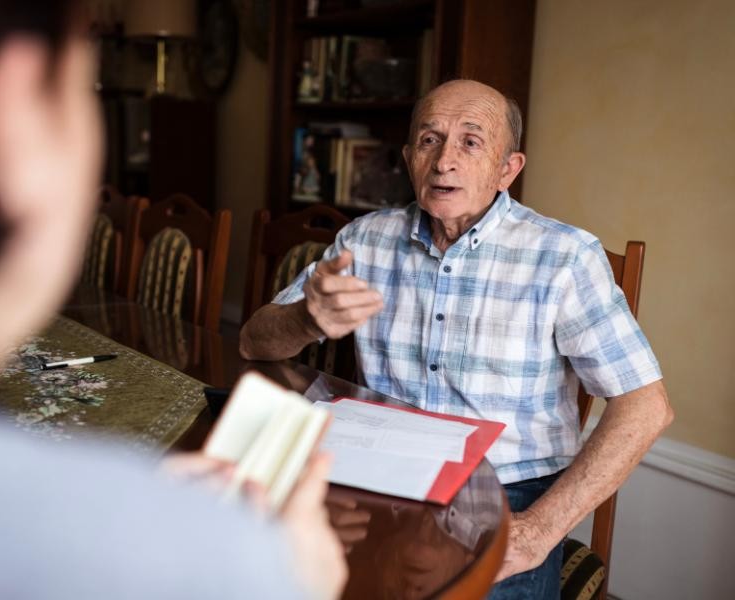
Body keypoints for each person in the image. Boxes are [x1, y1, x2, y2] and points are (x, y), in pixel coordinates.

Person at [0, 1, 345, 598]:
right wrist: (295, 580)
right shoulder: (208, 558)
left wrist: (126, 504)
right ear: (11, 123)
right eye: (84, 95)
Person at [240, 79, 674, 598]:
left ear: (507, 169)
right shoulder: (365, 239)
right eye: (429, 140)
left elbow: (646, 407)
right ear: (408, 158)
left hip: (508, 490)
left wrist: (539, 530)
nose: (445, 160)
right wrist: (306, 320)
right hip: (379, 474)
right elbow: (253, 342)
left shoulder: (565, 256)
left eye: (471, 142)